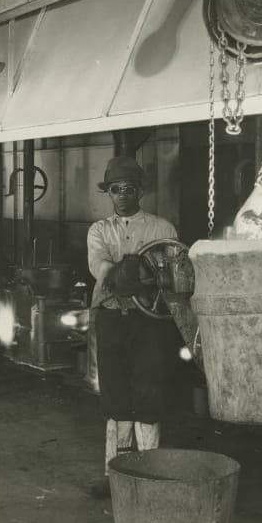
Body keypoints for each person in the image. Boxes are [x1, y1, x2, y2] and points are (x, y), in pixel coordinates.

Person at [85, 156, 178, 499]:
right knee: (115, 395)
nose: (122, 195)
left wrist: (136, 272)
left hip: (149, 322)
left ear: (140, 191)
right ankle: (115, 476)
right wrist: (135, 270)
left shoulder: (162, 229)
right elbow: (100, 266)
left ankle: (150, 474)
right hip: (111, 317)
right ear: (108, 193)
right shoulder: (99, 230)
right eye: (115, 189)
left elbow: (171, 272)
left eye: (129, 189)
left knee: (149, 391)